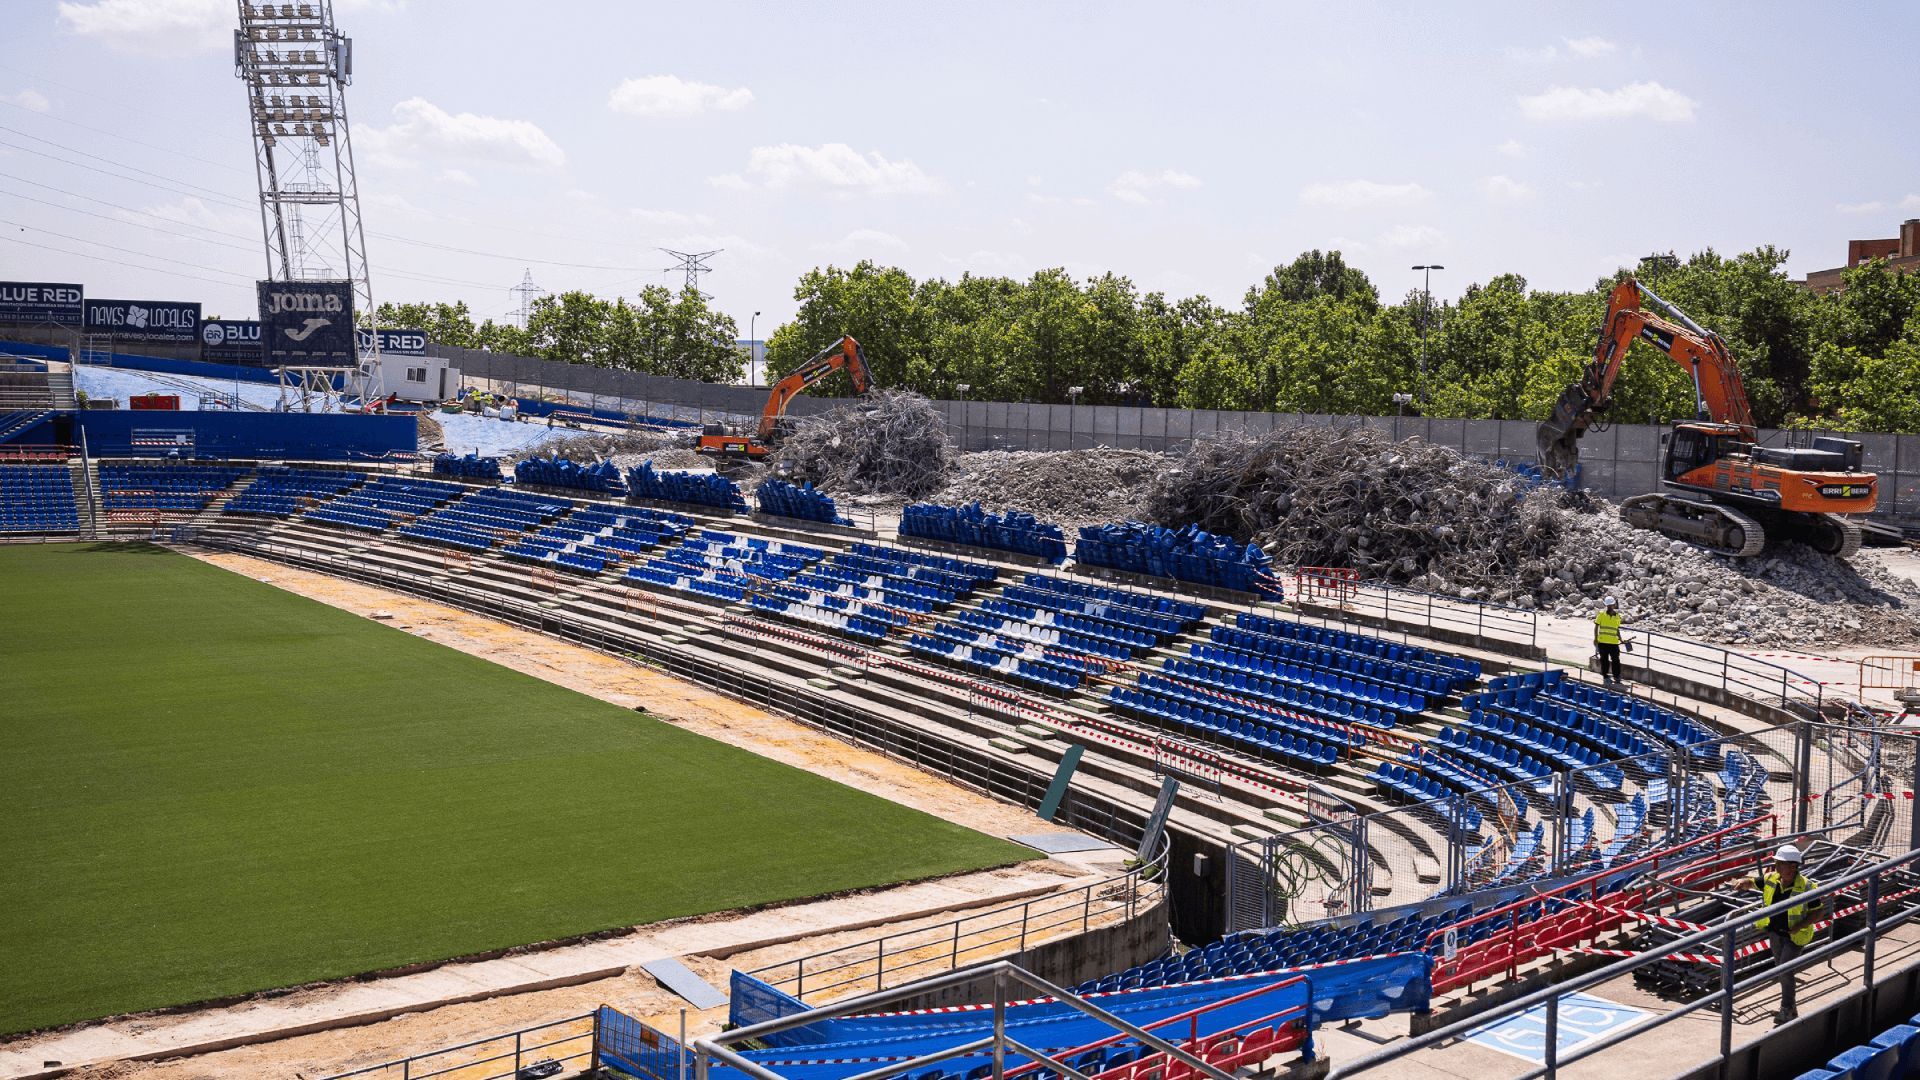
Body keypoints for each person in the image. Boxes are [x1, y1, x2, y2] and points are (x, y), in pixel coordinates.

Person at [1741, 844, 1822, 1024]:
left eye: (1780, 864)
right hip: (1775, 933)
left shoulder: (1808, 887)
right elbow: (1753, 882)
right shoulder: (1772, 879)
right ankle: (1791, 1008)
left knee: (1785, 970)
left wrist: (1799, 925)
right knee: (1781, 970)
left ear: (1793, 866)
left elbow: (1818, 912)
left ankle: (1786, 1009)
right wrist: (1743, 882)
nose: (1776, 867)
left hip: (1795, 937)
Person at [1594, 597, 1624, 686]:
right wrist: (1596, 638)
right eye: (1609, 605)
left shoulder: (1617, 616)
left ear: (1613, 605)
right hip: (1603, 642)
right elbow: (1596, 627)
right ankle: (1605, 676)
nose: (1610, 606)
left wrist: (1620, 639)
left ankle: (1616, 676)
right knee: (1604, 660)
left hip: (1614, 642)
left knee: (1616, 660)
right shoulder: (1601, 615)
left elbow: (1617, 629)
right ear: (1606, 605)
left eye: (1611, 605)